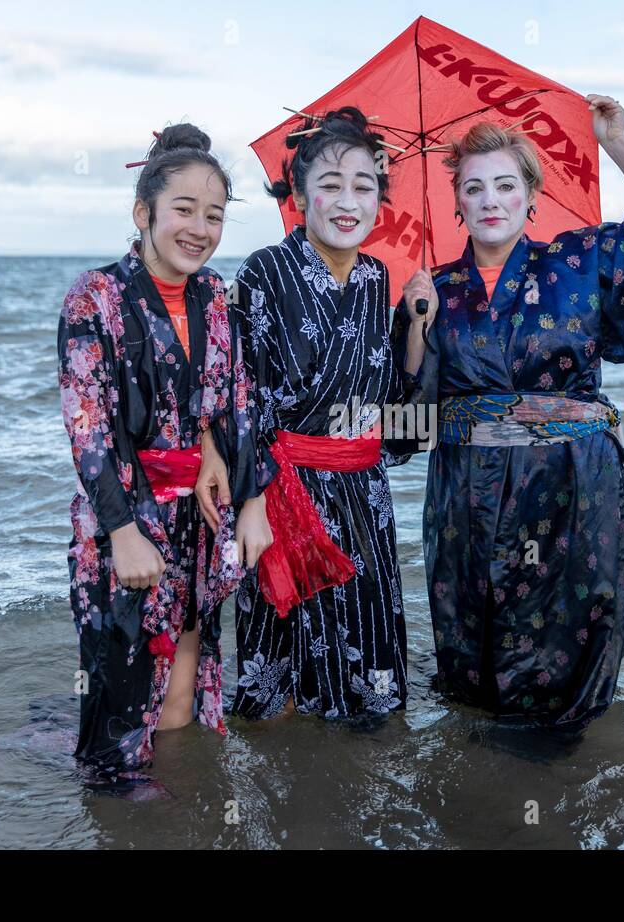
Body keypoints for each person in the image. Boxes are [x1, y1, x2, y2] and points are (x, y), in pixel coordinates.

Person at [398, 96, 624, 731]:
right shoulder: (433, 290)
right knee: (475, 662)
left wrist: (618, 144)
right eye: (474, 188)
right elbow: (406, 428)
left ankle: (563, 774)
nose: (490, 199)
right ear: (458, 204)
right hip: (466, 493)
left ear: (531, 197)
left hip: (572, 487)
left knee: (567, 646)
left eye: (505, 184)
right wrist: (415, 329)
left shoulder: (578, 263)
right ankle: (483, 784)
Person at [57, 123, 271, 783]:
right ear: (143, 212)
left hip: (199, 521)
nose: (200, 229)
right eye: (184, 210)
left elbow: (236, 399)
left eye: (214, 215)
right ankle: (115, 811)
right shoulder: (96, 297)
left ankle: (173, 813)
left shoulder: (215, 297)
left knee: (183, 685)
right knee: (121, 696)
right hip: (124, 518)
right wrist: (122, 531)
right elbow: (88, 424)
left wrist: (253, 497)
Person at [227, 106, 417, 721]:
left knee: (366, 679)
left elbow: (390, 408)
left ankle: (355, 784)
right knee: (279, 677)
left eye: (364, 187)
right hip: (285, 494)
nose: (347, 201)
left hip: (364, 494)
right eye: (330, 185)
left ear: (379, 200)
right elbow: (238, 399)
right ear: (299, 196)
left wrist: (415, 327)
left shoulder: (378, 278)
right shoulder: (264, 272)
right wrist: (251, 502)